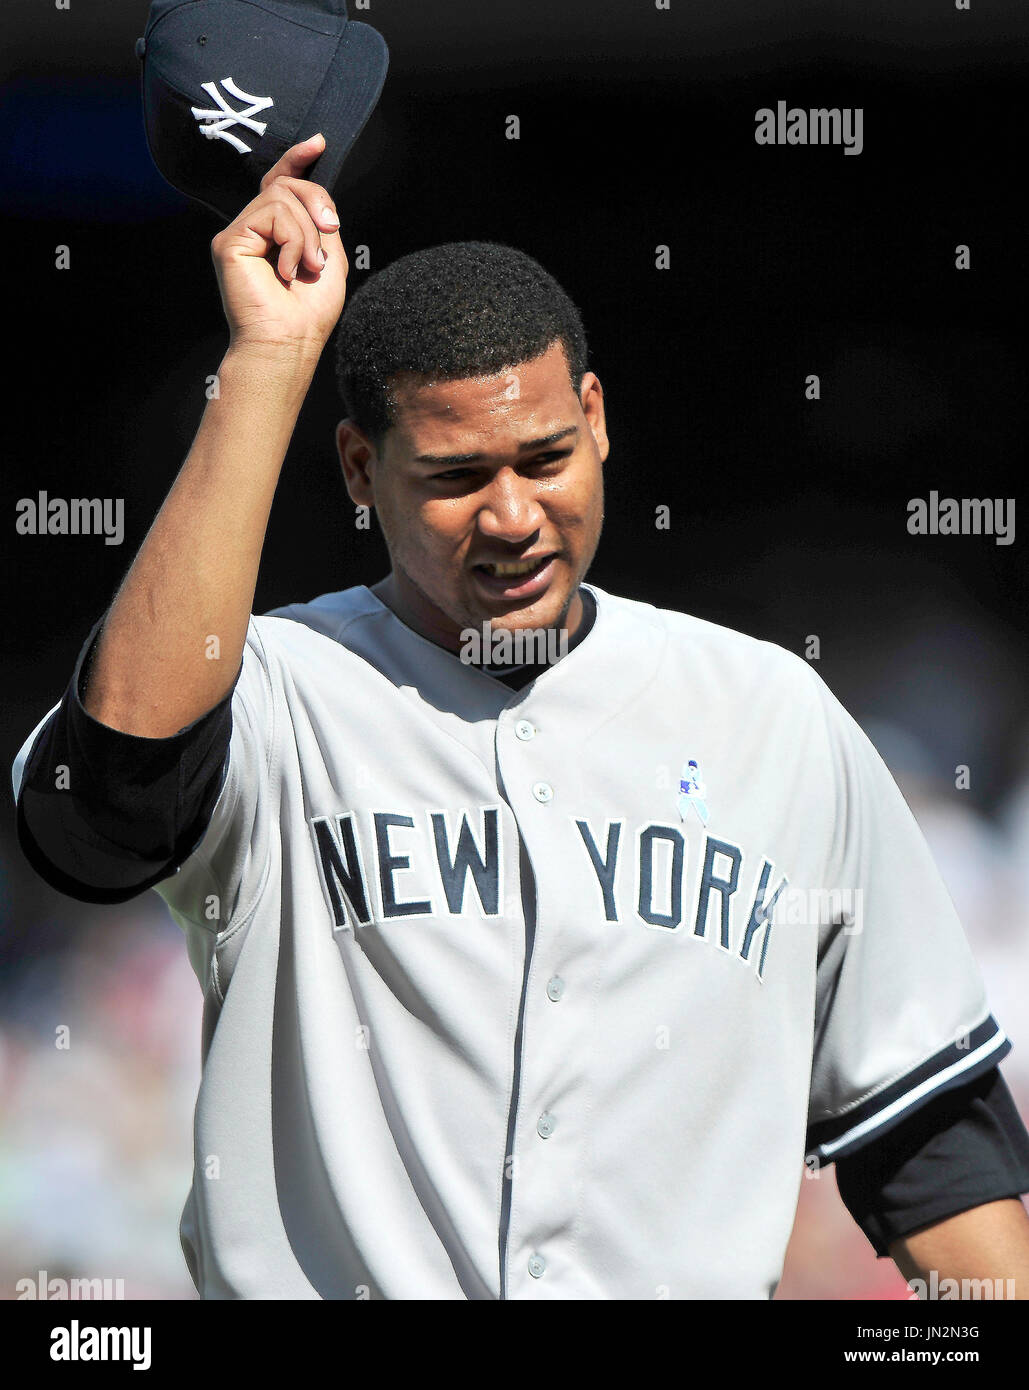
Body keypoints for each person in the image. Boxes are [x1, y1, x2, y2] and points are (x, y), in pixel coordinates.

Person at [13, 136, 1029, 1300]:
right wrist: (269, 359)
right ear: (358, 469)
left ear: (596, 419)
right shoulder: (279, 693)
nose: (511, 516)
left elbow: (931, 1137)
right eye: (453, 477)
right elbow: (101, 808)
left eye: (545, 457)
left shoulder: (772, 715)